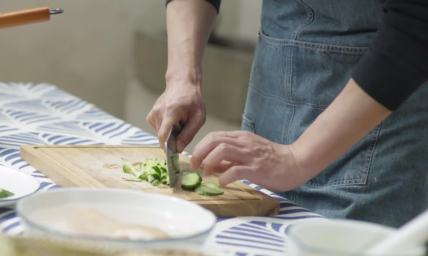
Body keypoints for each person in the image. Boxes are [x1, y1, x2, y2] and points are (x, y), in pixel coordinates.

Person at [148, 0, 428, 227]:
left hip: (375, 146)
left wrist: (297, 158)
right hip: (268, 124)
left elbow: (418, 21)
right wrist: (182, 78)